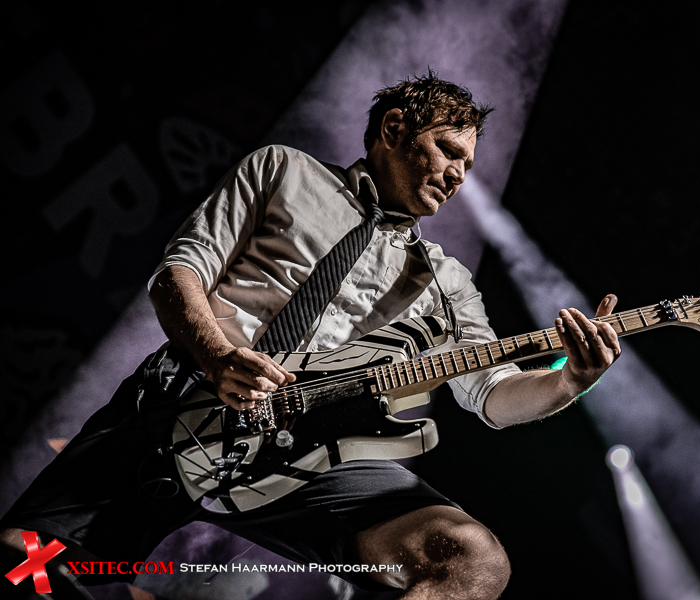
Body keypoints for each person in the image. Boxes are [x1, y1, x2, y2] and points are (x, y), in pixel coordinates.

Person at [1, 73, 620, 599]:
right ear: (394, 129)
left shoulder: (445, 281)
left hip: (311, 451)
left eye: (469, 164)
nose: (459, 174)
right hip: (188, 402)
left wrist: (570, 380)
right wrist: (218, 357)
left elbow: (492, 396)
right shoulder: (284, 169)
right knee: (21, 563)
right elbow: (179, 273)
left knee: (470, 559)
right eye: (448, 150)